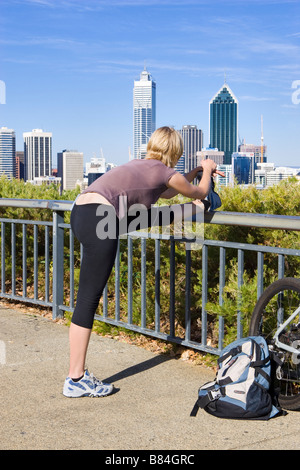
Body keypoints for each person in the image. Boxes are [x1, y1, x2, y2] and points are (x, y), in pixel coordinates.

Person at [63, 126, 223, 398]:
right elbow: (198, 191)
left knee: (148, 215)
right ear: (175, 153)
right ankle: (75, 378)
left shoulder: (143, 166)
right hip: (101, 217)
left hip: (81, 212)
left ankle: (201, 210)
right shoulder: (164, 172)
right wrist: (206, 169)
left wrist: (194, 173)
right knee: (88, 300)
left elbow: (168, 193)